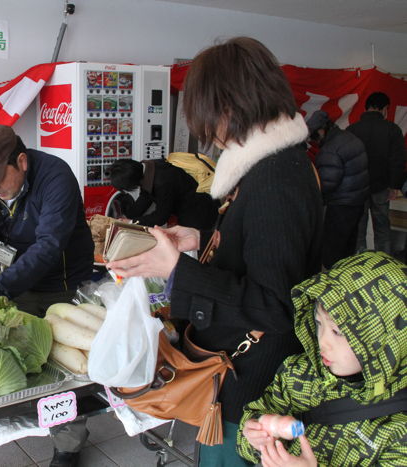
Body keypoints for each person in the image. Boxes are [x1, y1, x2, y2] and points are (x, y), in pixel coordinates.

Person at [107, 37, 323, 466]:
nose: (211, 137)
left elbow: (276, 305)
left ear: (228, 107)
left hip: (252, 383)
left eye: (207, 120)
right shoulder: (273, 163)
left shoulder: (276, 177)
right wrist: (202, 240)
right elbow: (266, 252)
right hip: (247, 373)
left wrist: (177, 270)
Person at [0, 124, 94, 466]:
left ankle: (68, 443)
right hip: (12, 282)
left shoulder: (55, 177)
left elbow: (50, 246)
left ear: (21, 161)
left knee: (65, 367)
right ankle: (32, 420)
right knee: (27, 356)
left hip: (61, 283)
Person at [238, 251, 407, 466]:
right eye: (319, 324)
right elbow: (252, 424)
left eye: (338, 332)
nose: (322, 342)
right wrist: (255, 434)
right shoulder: (298, 374)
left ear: (383, 341)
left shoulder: (399, 429)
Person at [306, 110, 369, 268]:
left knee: (332, 251)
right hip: (357, 201)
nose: (314, 141)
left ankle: (333, 284)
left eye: (314, 136)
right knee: (348, 248)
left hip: (341, 206)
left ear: (321, 130)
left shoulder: (330, 150)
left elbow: (326, 184)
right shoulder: (349, 138)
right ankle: (346, 280)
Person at [346, 92, 406, 254]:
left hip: (358, 187)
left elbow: (347, 160)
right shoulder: (392, 129)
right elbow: (397, 160)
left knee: (359, 229)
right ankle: (383, 263)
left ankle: (358, 265)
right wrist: (394, 186)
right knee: (382, 228)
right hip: (382, 187)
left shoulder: (352, 129)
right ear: (384, 108)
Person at [109, 158, 218, 229]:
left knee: (197, 250)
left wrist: (131, 222)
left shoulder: (162, 182)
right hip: (196, 204)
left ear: (131, 182)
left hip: (200, 211)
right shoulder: (148, 167)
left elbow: (160, 217)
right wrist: (127, 216)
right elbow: (146, 196)